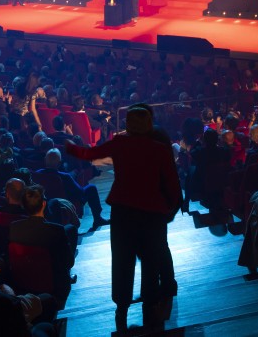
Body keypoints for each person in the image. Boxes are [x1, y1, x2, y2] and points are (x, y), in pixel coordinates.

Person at [66, 105, 182, 332]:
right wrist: (171, 209)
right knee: (151, 261)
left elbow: (89, 154)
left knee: (121, 260)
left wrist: (69, 147)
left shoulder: (120, 143)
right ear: (148, 124)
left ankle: (122, 307)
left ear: (128, 124)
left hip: (123, 211)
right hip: (152, 212)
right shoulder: (159, 149)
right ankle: (150, 306)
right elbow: (172, 183)